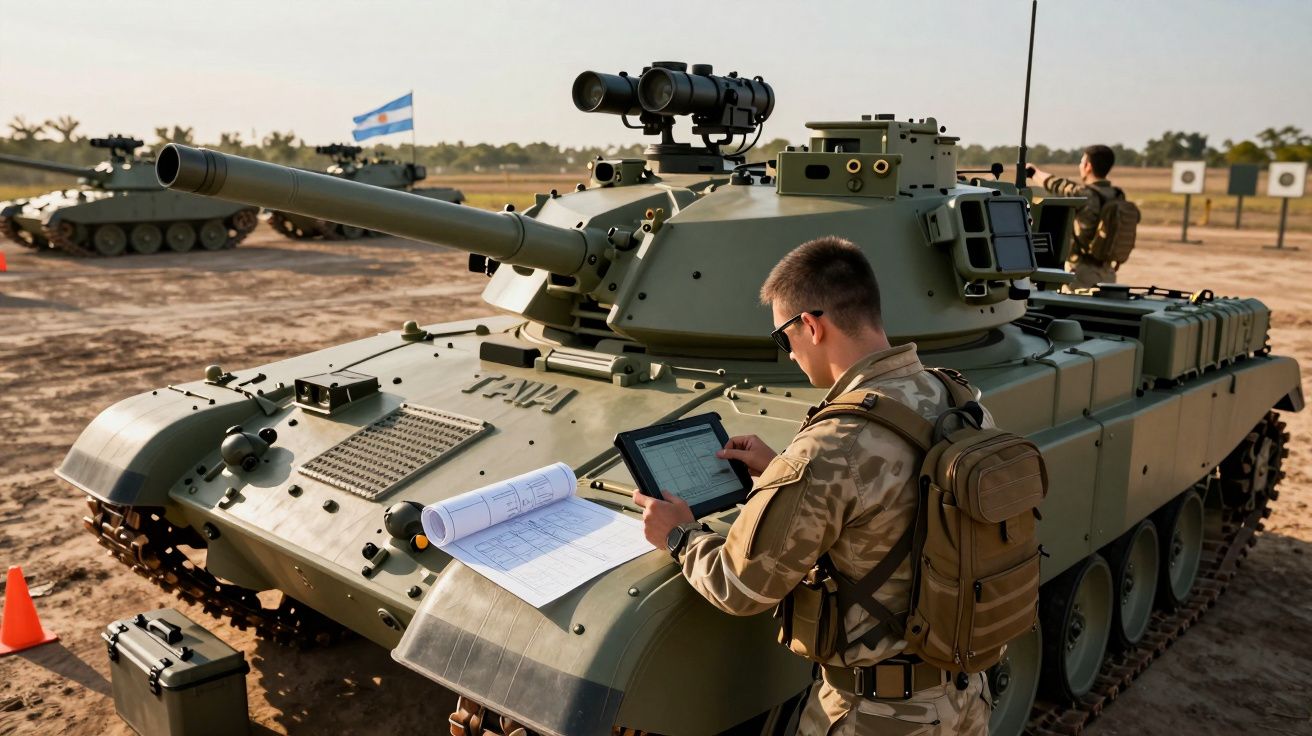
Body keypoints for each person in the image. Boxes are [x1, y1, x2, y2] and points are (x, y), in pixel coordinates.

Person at [633, 236, 991, 735]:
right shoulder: (957, 397)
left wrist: (679, 535)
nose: (790, 355)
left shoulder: (832, 445)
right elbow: (904, 503)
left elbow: (741, 586)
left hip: (879, 716)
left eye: (784, 338)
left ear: (811, 325)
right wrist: (784, 471)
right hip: (965, 693)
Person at [1029, 144, 1125, 290]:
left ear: (1088, 166)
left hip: (1082, 271)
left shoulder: (1084, 194)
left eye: (1082, 162)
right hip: (1108, 271)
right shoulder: (1118, 195)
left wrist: (1034, 172)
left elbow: (1056, 185)